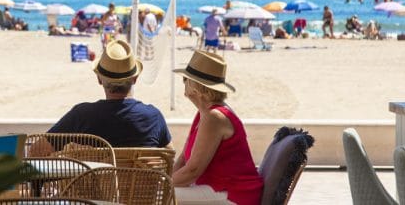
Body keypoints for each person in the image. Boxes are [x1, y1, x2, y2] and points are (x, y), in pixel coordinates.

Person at [172, 50, 263, 204]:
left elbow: (193, 171)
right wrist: (162, 182)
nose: (183, 83)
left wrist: (160, 185)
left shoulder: (214, 117)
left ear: (195, 87)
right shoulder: (204, 113)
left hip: (235, 194)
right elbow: (183, 160)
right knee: (159, 193)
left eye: (185, 79)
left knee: (159, 196)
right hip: (219, 189)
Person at [47, 40, 171, 147]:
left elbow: (39, 149)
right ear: (135, 79)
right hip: (141, 169)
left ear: (99, 79)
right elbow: (169, 156)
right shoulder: (153, 117)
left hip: (94, 169)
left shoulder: (80, 115)